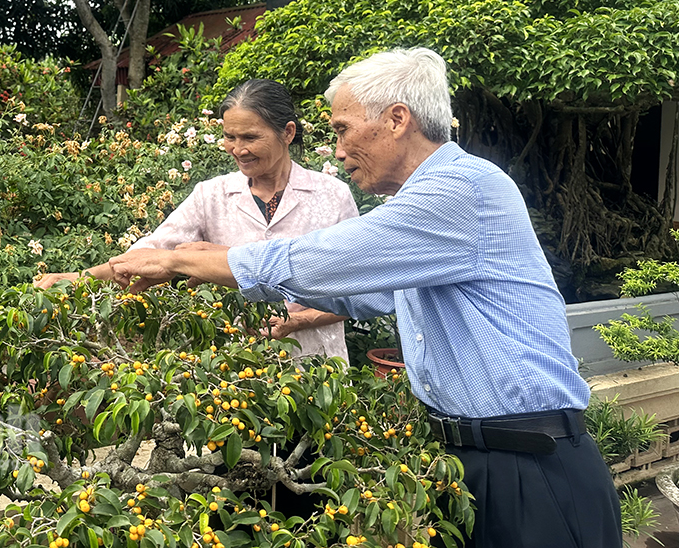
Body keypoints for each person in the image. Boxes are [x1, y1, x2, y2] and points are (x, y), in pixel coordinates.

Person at [107, 49, 622, 547]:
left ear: (398, 119)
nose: (336, 149)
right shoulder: (435, 196)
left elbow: (316, 259)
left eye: (342, 130)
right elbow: (367, 291)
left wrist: (183, 259)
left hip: (527, 464)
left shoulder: (457, 191)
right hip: (477, 459)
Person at [38, 78, 358, 360]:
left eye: (249, 137)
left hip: (317, 367)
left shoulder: (332, 196)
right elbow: (153, 251)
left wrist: (300, 321)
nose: (237, 148)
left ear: (287, 133)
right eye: (229, 136)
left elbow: (357, 287)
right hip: (229, 369)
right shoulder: (212, 194)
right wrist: (80, 277)